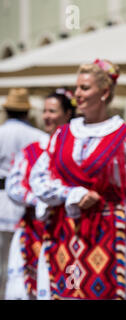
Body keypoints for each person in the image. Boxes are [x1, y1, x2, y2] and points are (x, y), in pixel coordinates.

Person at [29, 59, 126, 300]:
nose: (77, 95)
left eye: (85, 88)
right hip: (67, 230)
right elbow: (39, 179)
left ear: (104, 92)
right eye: (77, 88)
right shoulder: (63, 135)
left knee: (109, 291)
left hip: (111, 232)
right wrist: (71, 194)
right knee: (69, 290)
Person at [5, 89, 75, 299]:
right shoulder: (34, 149)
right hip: (33, 232)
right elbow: (14, 185)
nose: (46, 116)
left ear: (68, 114)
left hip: (69, 232)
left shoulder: (76, 150)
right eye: (44, 111)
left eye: (52, 111)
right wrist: (37, 200)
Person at [0, 88, 47, 299]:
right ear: (26, 112)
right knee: (24, 263)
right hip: (27, 203)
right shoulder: (39, 137)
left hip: (4, 199)